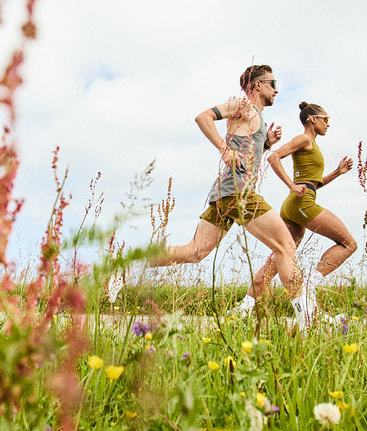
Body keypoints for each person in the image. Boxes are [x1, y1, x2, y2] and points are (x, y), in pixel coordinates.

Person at [108, 64, 310, 324]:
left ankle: (127, 269)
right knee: (285, 246)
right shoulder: (242, 105)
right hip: (239, 190)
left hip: (225, 192)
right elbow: (203, 117)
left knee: (195, 252)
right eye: (272, 83)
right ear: (257, 85)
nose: (277, 89)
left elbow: (245, 145)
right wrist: (224, 150)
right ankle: (307, 319)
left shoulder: (254, 115)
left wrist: (267, 141)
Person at [250, 102, 356, 317]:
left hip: (296, 203)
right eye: (326, 119)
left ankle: (245, 306)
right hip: (302, 203)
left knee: (281, 255)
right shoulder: (304, 139)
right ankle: (308, 284)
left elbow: (312, 183)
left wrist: (337, 172)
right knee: (348, 244)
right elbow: (273, 157)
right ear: (312, 119)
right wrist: (290, 184)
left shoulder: (311, 144)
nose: (328, 124)